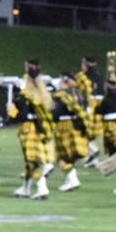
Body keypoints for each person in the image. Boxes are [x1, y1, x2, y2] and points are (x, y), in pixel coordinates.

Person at [11, 59, 54, 200]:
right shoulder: (42, 92)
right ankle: (25, 188)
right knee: (30, 161)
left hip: (29, 129)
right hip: (38, 128)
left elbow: (22, 113)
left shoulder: (29, 94)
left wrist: (12, 110)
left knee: (32, 161)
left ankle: (42, 188)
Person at [49, 71, 90, 192]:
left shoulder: (63, 95)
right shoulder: (77, 94)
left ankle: (73, 179)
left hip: (64, 127)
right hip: (72, 125)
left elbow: (73, 109)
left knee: (62, 157)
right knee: (68, 157)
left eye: (62, 80)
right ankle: (70, 179)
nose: (60, 82)